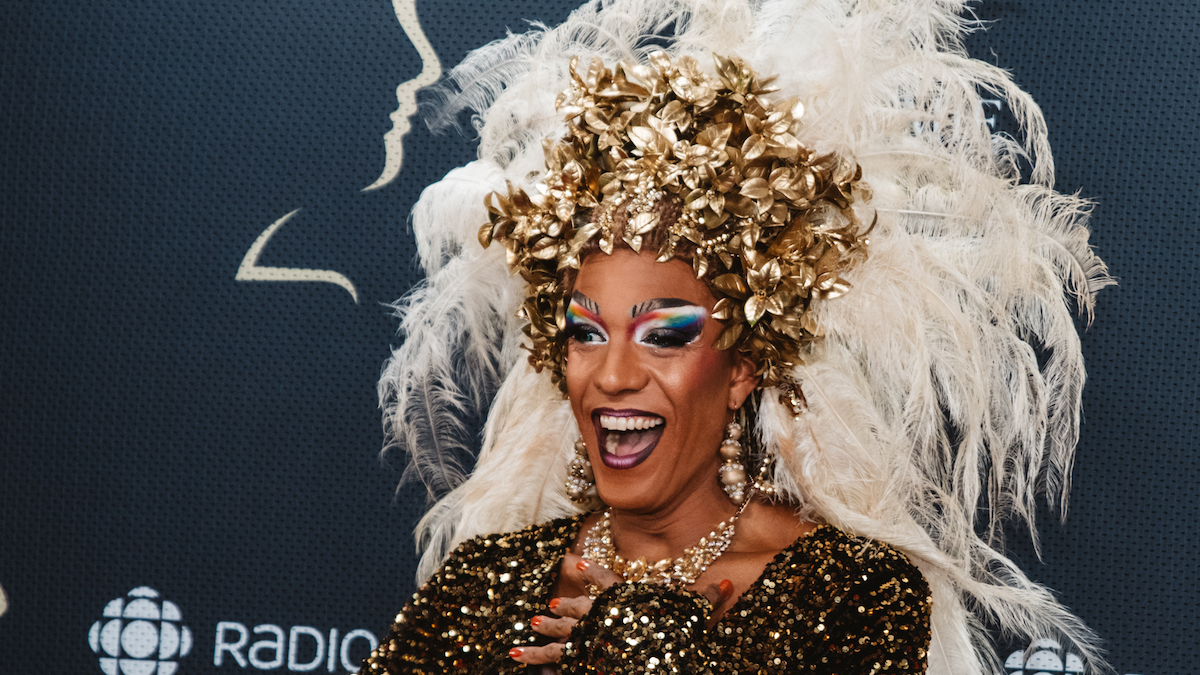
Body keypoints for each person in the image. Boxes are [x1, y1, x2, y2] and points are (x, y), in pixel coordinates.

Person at [361, 1, 1110, 673]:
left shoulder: (849, 598)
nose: (614, 374)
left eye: (665, 334)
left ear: (747, 363)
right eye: (586, 332)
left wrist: (654, 648)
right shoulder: (483, 584)